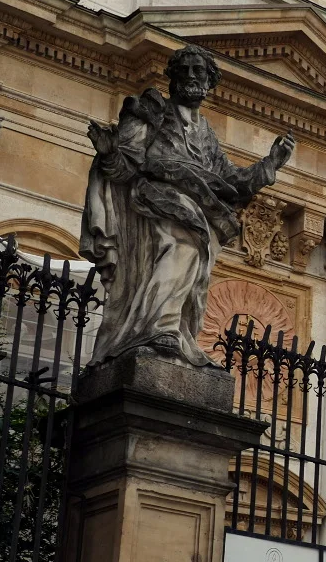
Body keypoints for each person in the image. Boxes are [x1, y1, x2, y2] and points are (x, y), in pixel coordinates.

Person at [81, 44, 293, 366]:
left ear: (210, 82)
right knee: (189, 244)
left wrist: (270, 165)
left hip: (196, 207)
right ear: (173, 77)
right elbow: (125, 166)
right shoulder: (153, 110)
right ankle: (159, 326)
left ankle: (172, 330)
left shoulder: (206, 134)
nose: (193, 77)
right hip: (154, 197)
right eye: (186, 70)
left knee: (196, 255)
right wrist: (111, 153)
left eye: (200, 72)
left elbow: (232, 182)